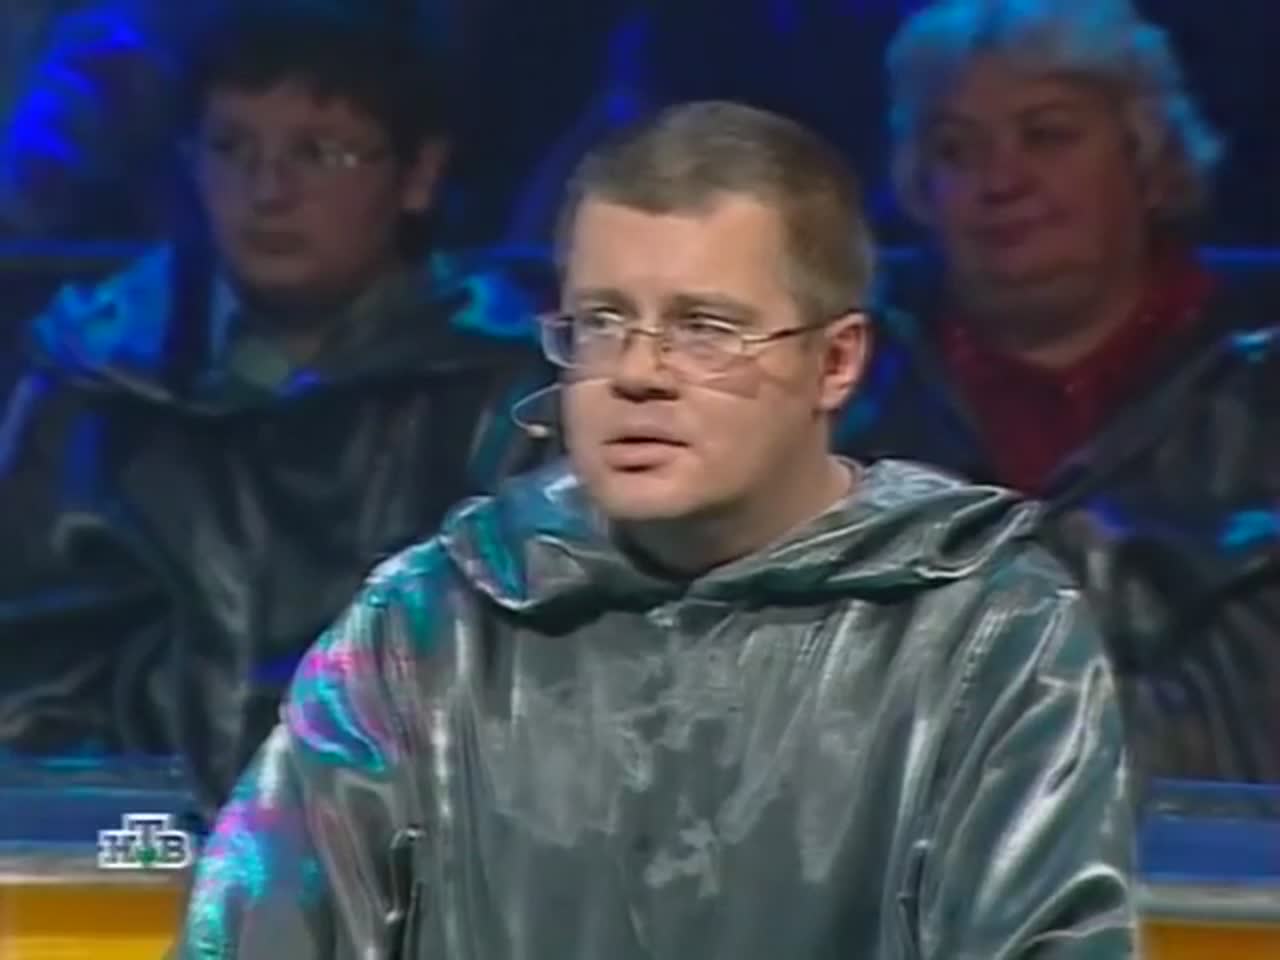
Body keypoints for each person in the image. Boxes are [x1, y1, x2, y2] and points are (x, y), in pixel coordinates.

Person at [179, 101, 1134, 959]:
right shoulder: (426, 628)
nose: (638, 374)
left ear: (836, 362)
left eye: (705, 329)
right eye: (602, 322)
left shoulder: (990, 635)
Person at [0, 0, 551, 816]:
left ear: (419, 174)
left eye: (319, 153)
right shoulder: (95, 377)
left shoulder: (508, 392)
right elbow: (27, 681)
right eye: (231, 148)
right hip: (133, 846)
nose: (267, 191)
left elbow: (537, 693)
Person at [838, 0, 1280, 785]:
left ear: (1148, 159)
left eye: (1047, 135)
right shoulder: (844, 397)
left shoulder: (1259, 388)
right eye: (955, 149)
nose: (1000, 180)